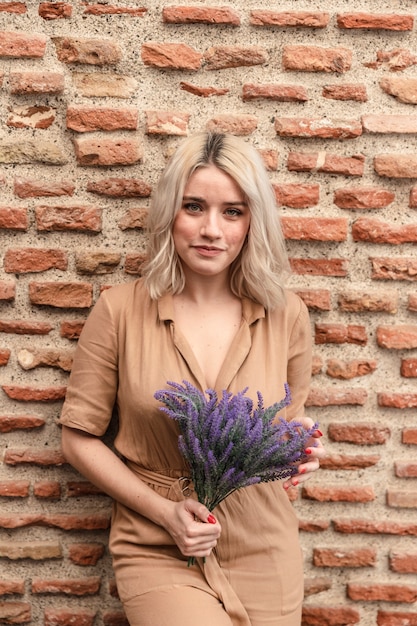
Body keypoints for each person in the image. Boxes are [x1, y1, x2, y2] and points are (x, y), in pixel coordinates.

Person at [60, 131, 325, 626]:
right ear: (169, 214)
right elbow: (78, 438)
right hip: (156, 539)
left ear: (253, 222)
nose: (211, 229)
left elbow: (290, 420)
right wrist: (165, 513)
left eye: (232, 211)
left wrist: (301, 446)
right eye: (194, 207)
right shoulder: (119, 310)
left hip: (262, 540)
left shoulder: (286, 314)